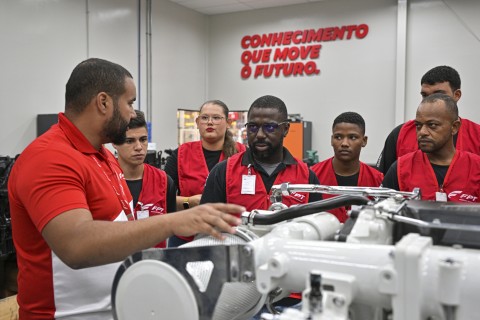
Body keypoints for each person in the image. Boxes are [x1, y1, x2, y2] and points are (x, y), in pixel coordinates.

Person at [7, 58, 243, 320]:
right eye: (129, 103)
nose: (132, 114)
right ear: (104, 102)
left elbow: (117, 226)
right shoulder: (50, 157)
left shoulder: (103, 156)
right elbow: (76, 245)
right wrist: (173, 221)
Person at [200, 94, 323, 209]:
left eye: (269, 127)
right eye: (253, 127)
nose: (259, 135)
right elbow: (205, 225)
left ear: (285, 129)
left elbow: (317, 226)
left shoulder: (306, 177)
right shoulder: (223, 172)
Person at [164, 100, 246, 246]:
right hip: (186, 237)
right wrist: (189, 202)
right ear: (197, 122)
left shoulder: (243, 154)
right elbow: (163, 197)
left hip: (231, 237)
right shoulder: (181, 154)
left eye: (216, 118)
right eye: (204, 118)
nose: (210, 122)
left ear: (228, 123)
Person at [376, 65, 480, 174]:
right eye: (425, 95)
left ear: (457, 95)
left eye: (439, 94)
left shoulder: (476, 135)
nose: (431, 100)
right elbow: (382, 180)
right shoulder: (401, 134)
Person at [381, 93, 480, 202]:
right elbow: (382, 214)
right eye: (418, 125)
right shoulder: (401, 169)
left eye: (432, 125)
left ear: (454, 127)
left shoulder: (476, 168)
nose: (422, 132)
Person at [112, 110, 176, 248]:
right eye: (129, 141)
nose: (139, 147)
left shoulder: (164, 181)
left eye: (143, 139)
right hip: (114, 263)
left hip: (153, 263)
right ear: (115, 143)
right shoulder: (104, 181)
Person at [311, 112, 383, 222]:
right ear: (331, 140)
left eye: (352, 137)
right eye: (338, 137)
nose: (344, 143)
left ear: (364, 141)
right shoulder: (312, 175)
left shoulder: (377, 180)